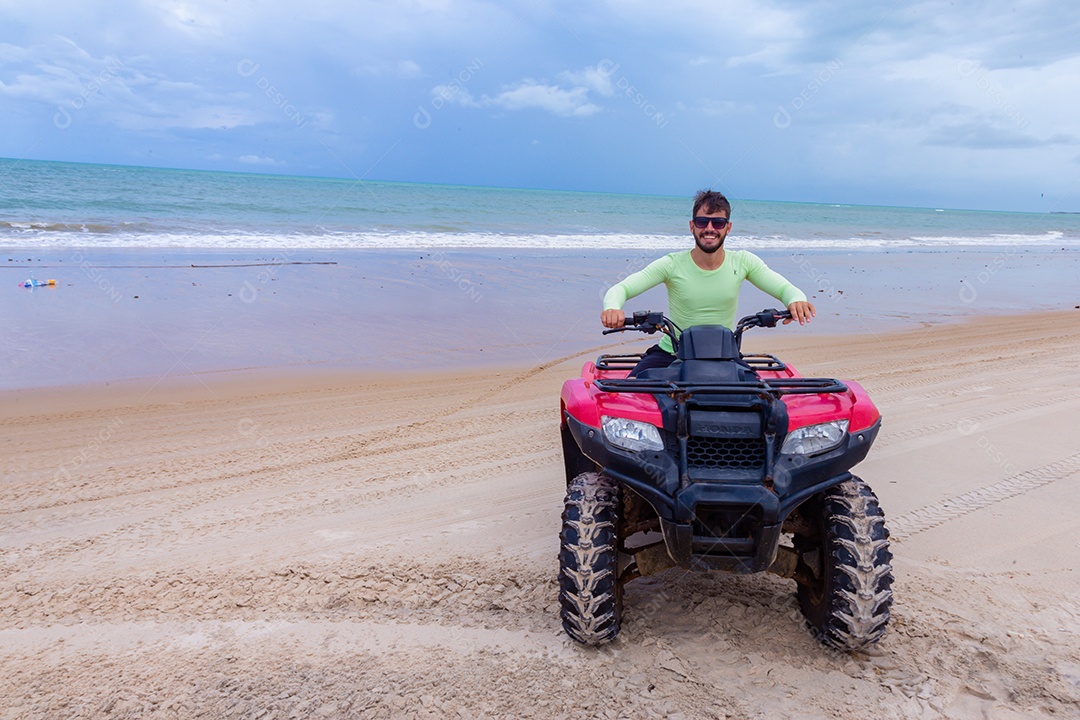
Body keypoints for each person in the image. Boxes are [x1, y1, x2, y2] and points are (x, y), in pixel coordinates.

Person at [600, 189, 815, 376]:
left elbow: (784, 288)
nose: (709, 228)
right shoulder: (671, 264)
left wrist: (797, 300)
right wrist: (612, 308)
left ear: (728, 227)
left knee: (762, 405)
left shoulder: (743, 262)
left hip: (725, 355)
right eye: (703, 221)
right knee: (626, 395)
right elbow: (622, 288)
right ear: (692, 226)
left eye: (718, 222)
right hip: (671, 353)